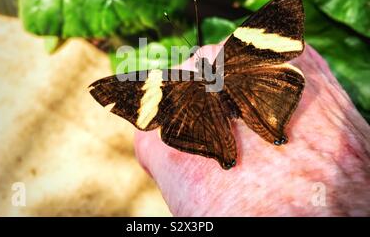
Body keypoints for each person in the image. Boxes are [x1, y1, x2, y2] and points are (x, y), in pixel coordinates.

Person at [134, 44, 370, 216]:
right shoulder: (232, 55)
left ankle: (228, 153)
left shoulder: (175, 83)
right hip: (249, 88)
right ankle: (270, 130)